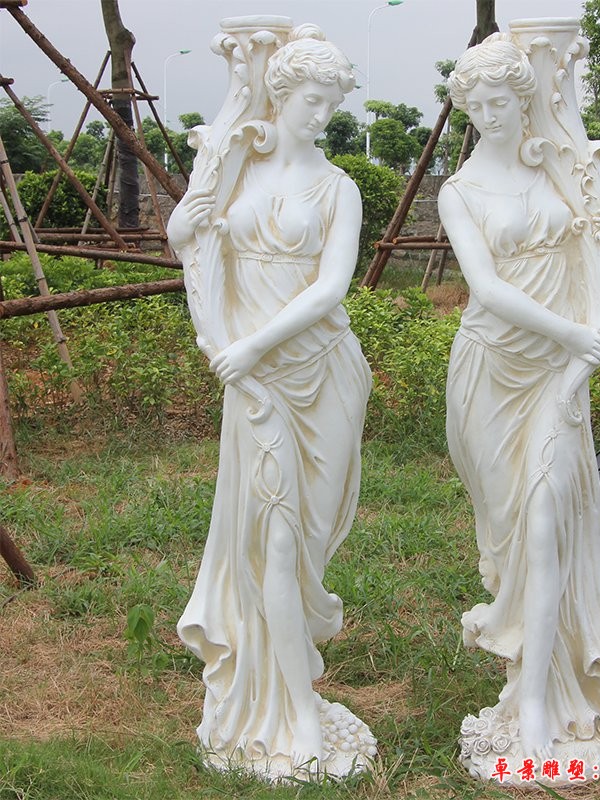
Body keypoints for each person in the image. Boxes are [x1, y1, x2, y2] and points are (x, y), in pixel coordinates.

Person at [167, 24, 373, 778]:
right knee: (274, 541)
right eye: (311, 100)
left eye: (332, 104)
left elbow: (331, 287)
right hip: (255, 388)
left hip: (323, 371)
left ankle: (295, 691)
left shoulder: (339, 187)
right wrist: (191, 204)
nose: (321, 115)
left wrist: (252, 344)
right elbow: (187, 239)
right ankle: (294, 712)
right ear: (280, 95)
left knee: (306, 544)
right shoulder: (237, 170)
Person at [438, 34, 600, 769]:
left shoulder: (561, 167)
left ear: (524, 99)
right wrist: (577, 335)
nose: (491, 115)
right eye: (477, 106)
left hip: (559, 375)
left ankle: (538, 705)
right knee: (513, 536)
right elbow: (487, 289)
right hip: (492, 372)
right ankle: (526, 675)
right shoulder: (457, 191)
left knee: (550, 517)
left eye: (501, 101)